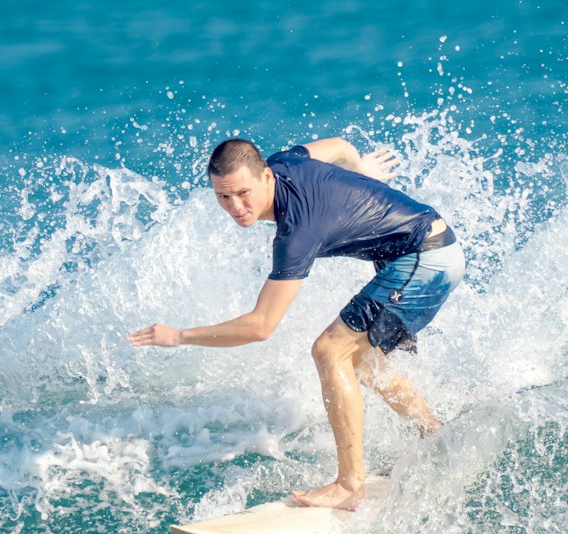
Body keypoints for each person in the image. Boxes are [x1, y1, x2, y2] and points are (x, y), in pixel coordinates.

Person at [127, 136, 464, 509]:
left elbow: (260, 326)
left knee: (329, 351)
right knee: (364, 362)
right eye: (223, 197)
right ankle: (434, 434)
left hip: (426, 260)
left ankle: (350, 486)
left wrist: (179, 335)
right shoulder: (286, 162)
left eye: (243, 193)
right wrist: (359, 170)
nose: (236, 207)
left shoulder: (298, 230)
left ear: (266, 177)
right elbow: (336, 145)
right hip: (427, 250)